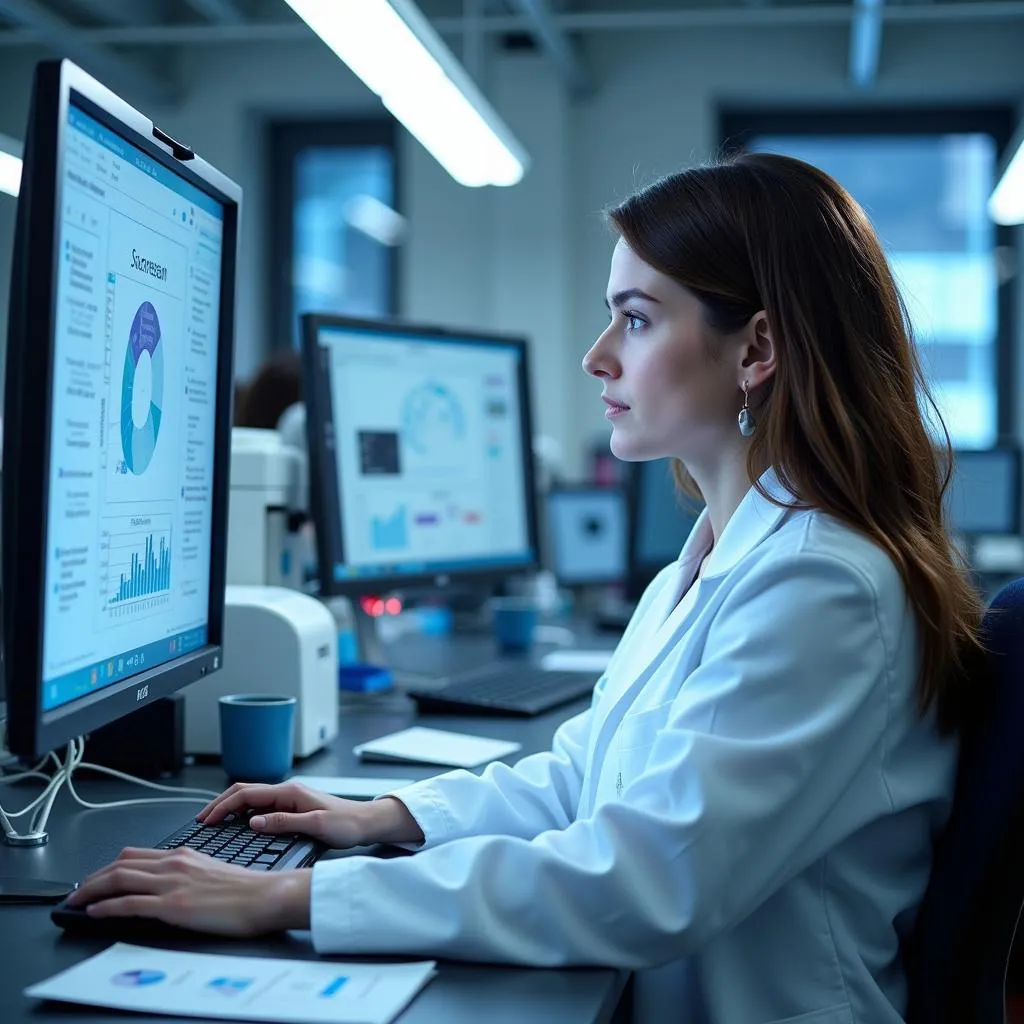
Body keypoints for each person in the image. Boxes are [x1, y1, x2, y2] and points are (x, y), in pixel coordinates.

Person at [68, 153, 985, 1024]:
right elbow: (590, 776)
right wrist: (387, 815)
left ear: (756, 350)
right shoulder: (716, 557)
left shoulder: (821, 585)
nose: (597, 356)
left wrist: (286, 895)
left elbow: (644, 879)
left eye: (636, 318)